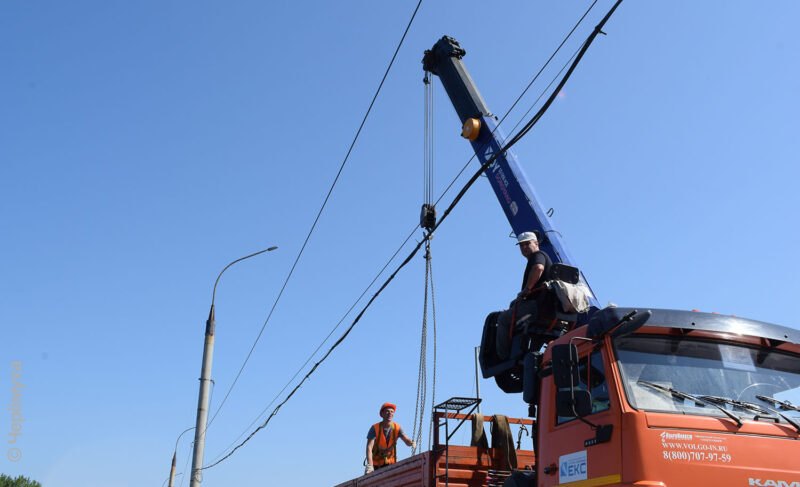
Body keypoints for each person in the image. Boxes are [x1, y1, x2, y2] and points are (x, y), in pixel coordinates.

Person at [364, 402, 415, 474]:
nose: (390, 413)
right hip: (376, 464)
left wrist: (411, 442)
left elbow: (406, 440)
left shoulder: (397, 427)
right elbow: (369, 447)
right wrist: (370, 466)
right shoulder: (375, 428)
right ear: (382, 414)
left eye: (392, 412)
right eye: (387, 411)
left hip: (391, 463)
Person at [516, 231, 552, 300]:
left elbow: (538, 268)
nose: (524, 247)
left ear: (536, 243)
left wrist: (527, 289)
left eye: (527, 243)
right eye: (521, 245)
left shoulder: (538, 254)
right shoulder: (534, 259)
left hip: (540, 301)